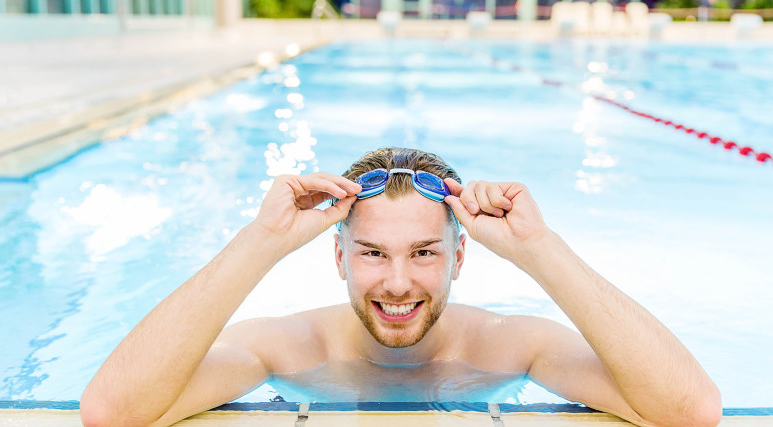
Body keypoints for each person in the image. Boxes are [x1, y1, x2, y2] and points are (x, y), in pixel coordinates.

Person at [80, 147, 722, 427]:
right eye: (371, 253)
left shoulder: (509, 345)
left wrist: (538, 250)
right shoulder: (285, 347)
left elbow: (687, 412)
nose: (396, 283)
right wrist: (261, 242)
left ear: (459, 257)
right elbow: (114, 413)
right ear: (337, 257)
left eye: (423, 253)